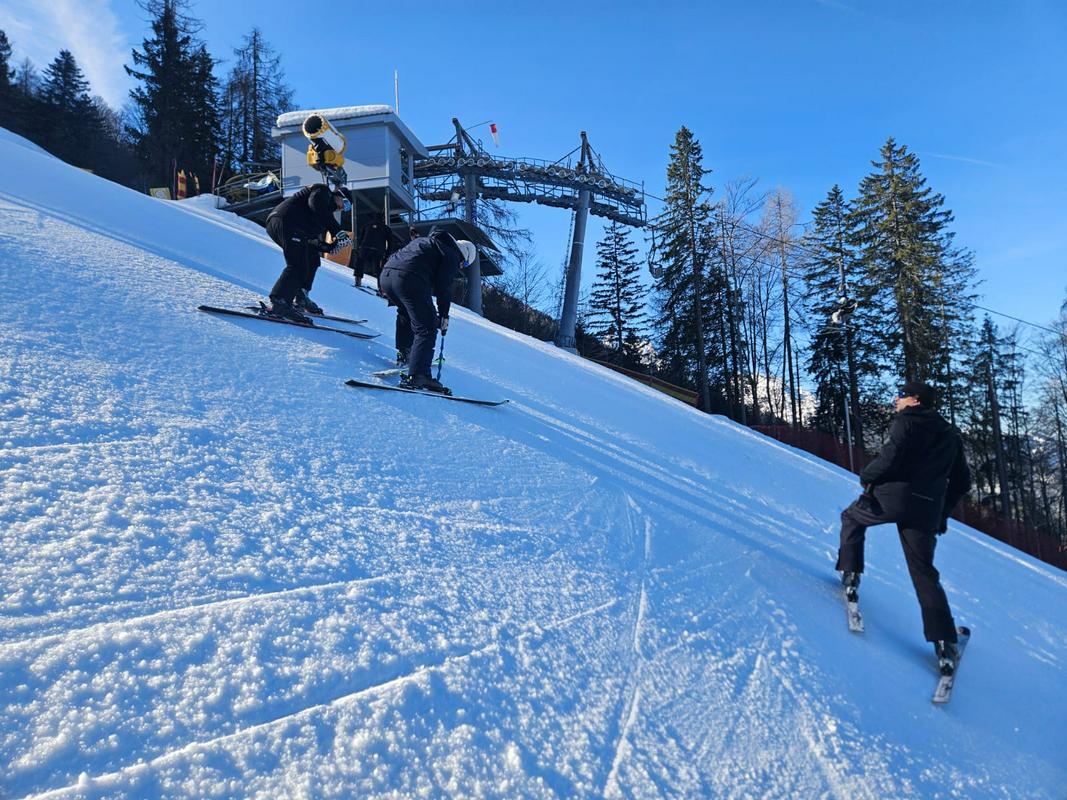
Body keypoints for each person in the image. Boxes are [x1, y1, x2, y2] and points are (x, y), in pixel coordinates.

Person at [835, 380, 971, 675]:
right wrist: (941, 514)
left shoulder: (906, 422)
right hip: (926, 511)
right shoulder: (949, 434)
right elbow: (962, 482)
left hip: (891, 500)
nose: (896, 399)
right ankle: (945, 643)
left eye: (901, 395)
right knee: (924, 572)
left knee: (851, 518)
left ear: (916, 400)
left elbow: (890, 459)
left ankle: (851, 573)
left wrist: (865, 474)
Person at [378, 229, 476, 394]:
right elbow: (443, 288)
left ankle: (405, 352)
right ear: (464, 255)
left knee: (406, 313)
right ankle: (419, 375)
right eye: (465, 264)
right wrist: (443, 315)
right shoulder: (451, 254)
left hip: (387, 276)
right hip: (409, 278)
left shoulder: (426, 242)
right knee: (428, 326)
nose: (461, 266)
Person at [265, 183, 350, 320]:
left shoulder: (321, 215)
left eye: (347, 208)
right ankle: (280, 302)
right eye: (345, 203)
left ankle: (301, 295)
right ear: (338, 195)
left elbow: (311, 241)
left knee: (312, 259)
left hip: (288, 225)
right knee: (298, 265)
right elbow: (316, 205)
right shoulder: (323, 192)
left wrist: (329, 247)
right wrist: (338, 231)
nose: (342, 208)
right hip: (286, 221)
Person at [349, 218, 389, 288]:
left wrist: (359, 248)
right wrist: (386, 254)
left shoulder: (367, 224)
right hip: (378, 250)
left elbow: (361, 237)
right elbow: (391, 242)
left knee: (360, 261)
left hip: (365, 248)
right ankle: (381, 288)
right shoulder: (386, 228)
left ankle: (358, 281)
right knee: (379, 268)